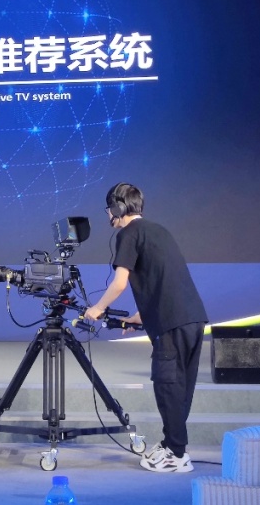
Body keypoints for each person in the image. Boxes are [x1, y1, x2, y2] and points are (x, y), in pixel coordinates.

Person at [83, 182, 207, 473]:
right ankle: (173, 444)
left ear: (118, 208)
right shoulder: (158, 230)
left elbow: (119, 283)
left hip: (171, 324)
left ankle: (177, 455)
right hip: (192, 319)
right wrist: (141, 315)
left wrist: (98, 308)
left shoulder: (127, 234)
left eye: (109, 209)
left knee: (167, 387)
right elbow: (164, 278)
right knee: (180, 388)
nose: (108, 215)